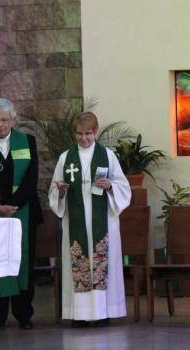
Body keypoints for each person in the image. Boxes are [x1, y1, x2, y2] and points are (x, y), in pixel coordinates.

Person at [48, 111, 131, 327]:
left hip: (103, 221)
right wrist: (61, 191)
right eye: (79, 133)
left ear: (95, 132)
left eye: (88, 133)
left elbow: (123, 187)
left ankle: (103, 312)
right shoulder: (66, 158)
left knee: (101, 264)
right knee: (79, 262)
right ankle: (80, 314)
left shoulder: (108, 156)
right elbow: (54, 189)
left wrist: (110, 186)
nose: (83, 138)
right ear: (74, 133)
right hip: (75, 222)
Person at [0, 98, 43, 331]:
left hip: (23, 212)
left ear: (13, 119)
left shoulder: (27, 142)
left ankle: (24, 315)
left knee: (21, 263)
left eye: (5, 119)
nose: (0, 124)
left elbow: (31, 178)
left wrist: (13, 205)